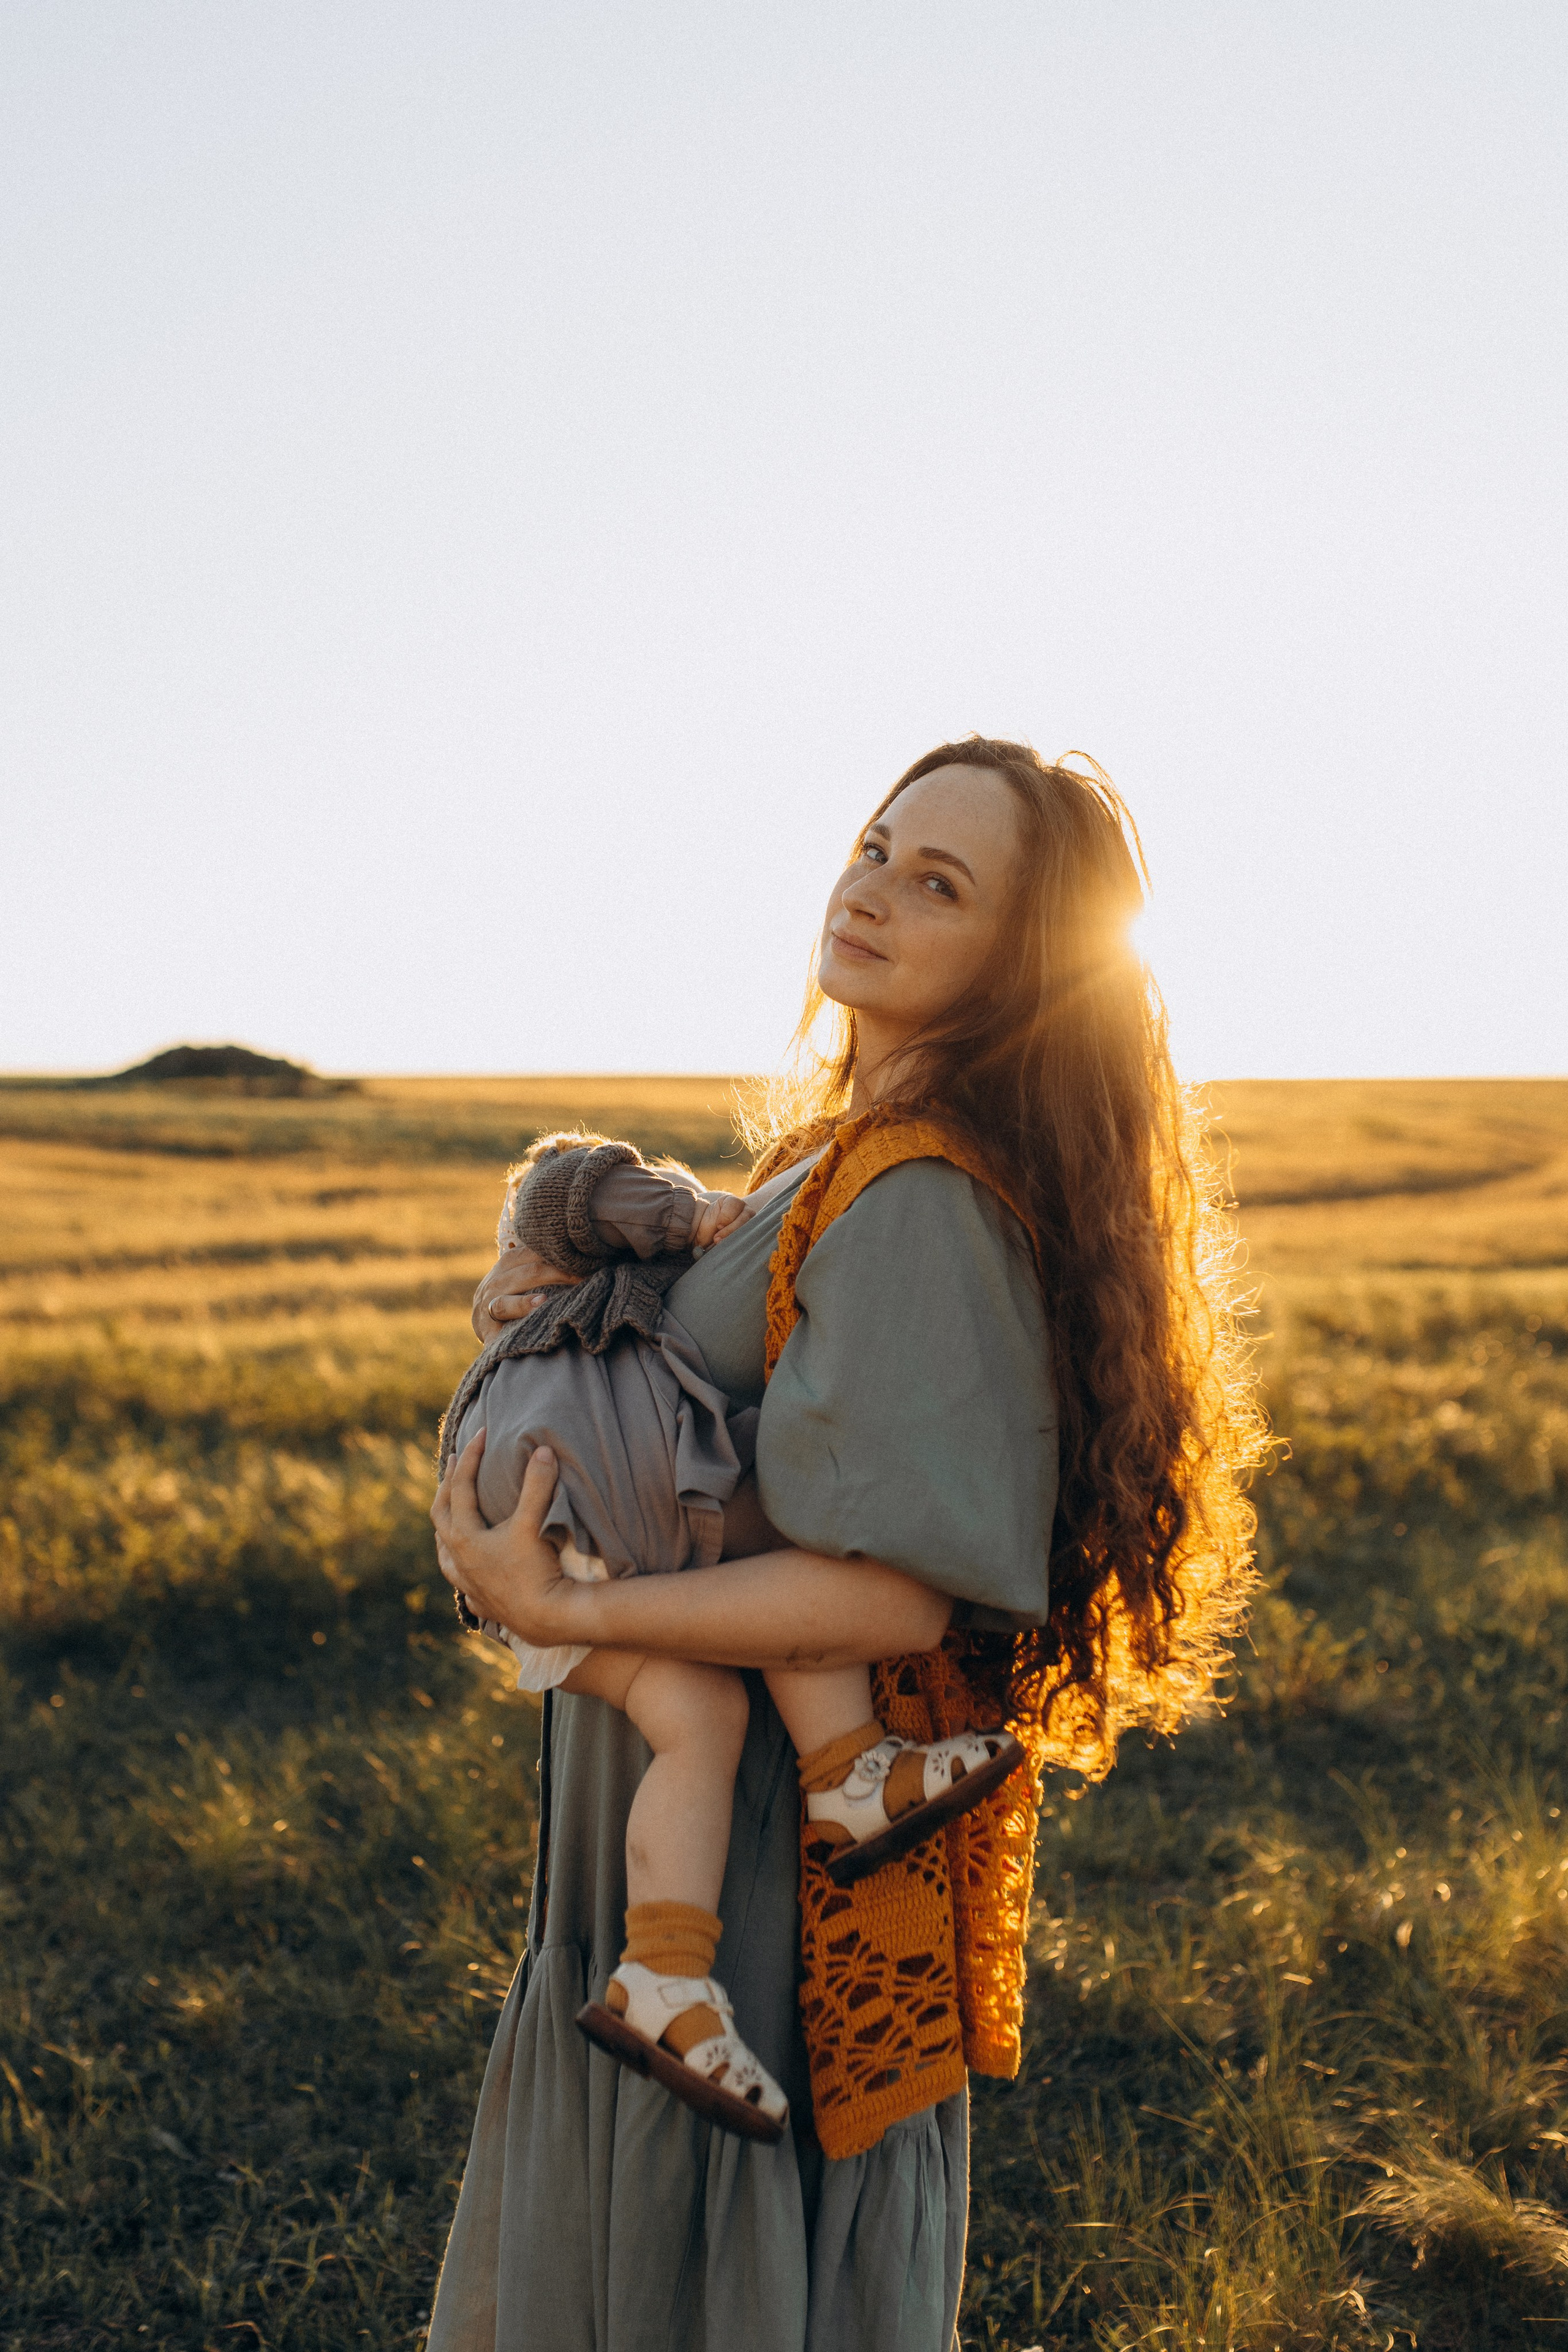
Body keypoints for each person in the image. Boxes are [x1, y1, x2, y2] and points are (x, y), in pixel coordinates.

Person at [428, 739, 1264, 2352]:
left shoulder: (922, 1202)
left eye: (938, 883)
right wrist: (532, 1325)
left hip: (761, 1878)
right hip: (671, 1827)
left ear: (1021, 964)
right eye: (877, 847)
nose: (871, 889)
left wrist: (567, 1599)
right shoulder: (815, 1163)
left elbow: (884, 1593)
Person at [437, 1131, 1023, 2142]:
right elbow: (589, 1190)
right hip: (579, 1463)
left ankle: (663, 1978)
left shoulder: (545, 1315)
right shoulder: (564, 1211)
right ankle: (846, 1768)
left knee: (698, 1718)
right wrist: (691, 1215)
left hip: (531, 1512)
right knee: (800, 1505)